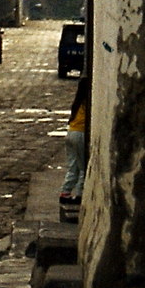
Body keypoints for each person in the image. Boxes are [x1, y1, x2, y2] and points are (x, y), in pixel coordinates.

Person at [60, 77, 89, 207]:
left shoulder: (77, 102)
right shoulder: (87, 103)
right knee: (83, 166)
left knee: (73, 166)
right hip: (81, 134)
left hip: (71, 132)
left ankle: (65, 192)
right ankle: (79, 194)